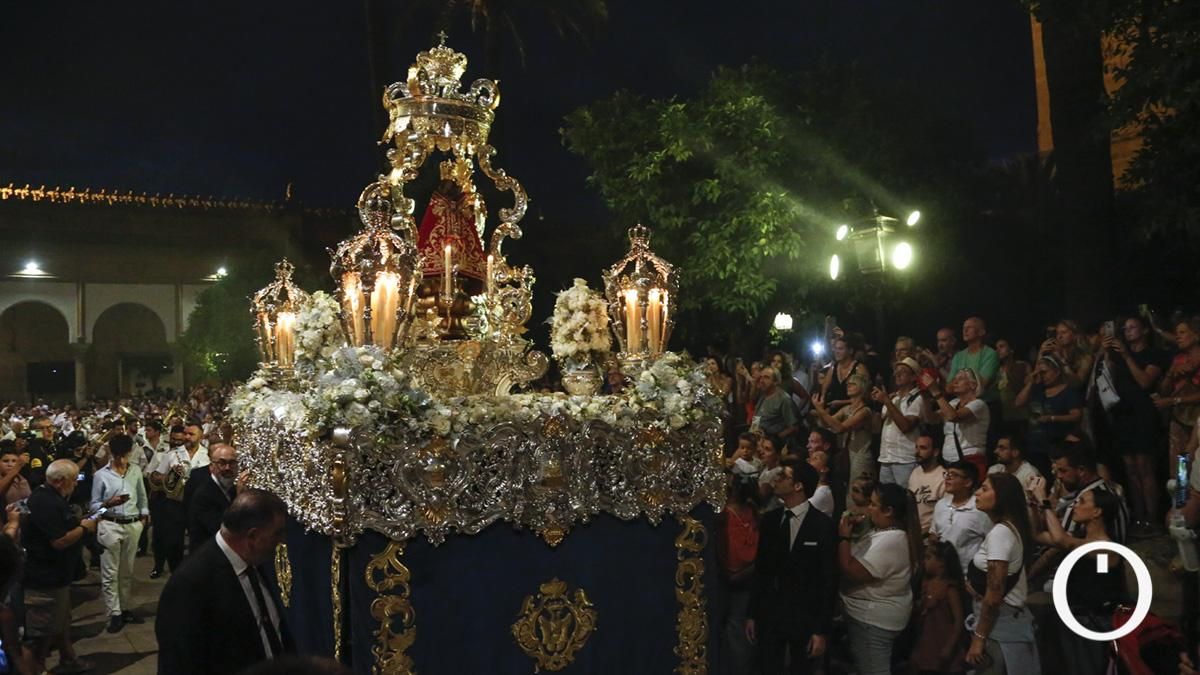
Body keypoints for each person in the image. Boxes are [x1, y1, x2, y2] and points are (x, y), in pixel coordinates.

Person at [156, 489, 293, 674]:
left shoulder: (253, 563)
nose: (282, 541)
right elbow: (179, 664)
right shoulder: (190, 586)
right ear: (252, 537)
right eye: (277, 533)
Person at [746, 459, 835, 675]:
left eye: (783, 476)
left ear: (798, 485)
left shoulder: (822, 525)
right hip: (771, 613)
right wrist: (752, 614)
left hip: (803, 615)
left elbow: (828, 581)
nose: (776, 479)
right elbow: (762, 570)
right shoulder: (770, 520)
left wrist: (821, 630)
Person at [1028, 479, 1125, 675]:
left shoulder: (1104, 546)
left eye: (1081, 502)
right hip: (1073, 617)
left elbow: (1061, 540)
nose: (1074, 506)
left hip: (1092, 623)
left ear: (1097, 512)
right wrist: (1033, 504)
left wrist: (1045, 502)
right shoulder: (1082, 537)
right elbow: (1037, 535)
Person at [23, 459, 97, 675]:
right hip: (44, 580)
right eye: (74, 480)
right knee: (42, 633)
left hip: (57, 577)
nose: (76, 484)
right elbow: (59, 540)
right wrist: (84, 528)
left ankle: (68, 658)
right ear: (60, 481)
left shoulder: (51, 497)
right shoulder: (45, 502)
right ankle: (38, 670)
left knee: (61, 621)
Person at [837, 483, 919, 675]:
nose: (869, 508)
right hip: (871, 617)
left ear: (889, 510)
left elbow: (852, 570)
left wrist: (844, 537)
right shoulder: (884, 532)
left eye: (873, 504)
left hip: (873, 620)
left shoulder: (893, 539)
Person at [965, 472, 1040, 674]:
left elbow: (994, 594)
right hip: (997, 623)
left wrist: (979, 638)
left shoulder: (1001, 533)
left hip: (999, 627)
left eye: (985, 488)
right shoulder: (1004, 529)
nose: (977, 493)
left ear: (1002, 497)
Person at [1102, 316, 1167, 535]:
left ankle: (1153, 518)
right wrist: (1105, 353)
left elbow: (1144, 381)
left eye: (1133, 328)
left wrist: (1127, 355)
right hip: (1123, 415)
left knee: (1145, 467)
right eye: (1125, 328)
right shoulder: (1118, 356)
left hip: (1143, 414)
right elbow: (1106, 379)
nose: (1128, 332)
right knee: (1130, 469)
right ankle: (1138, 517)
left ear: (1145, 331)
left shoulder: (1153, 354)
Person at [90, 433, 149, 633]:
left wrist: (143, 518)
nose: (122, 460)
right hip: (110, 525)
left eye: (125, 455)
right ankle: (113, 612)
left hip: (132, 525)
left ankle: (125, 608)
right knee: (110, 572)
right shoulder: (101, 475)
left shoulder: (135, 471)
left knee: (127, 571)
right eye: (118, 456)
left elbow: (142, 496)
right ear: (112, 454)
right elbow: (94, 507)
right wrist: (108, 504)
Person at [148, 421, 209, 576]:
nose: (187, 437)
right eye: (186, 433)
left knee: (198, 542)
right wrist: (170, 476)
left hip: (198, 506)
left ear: (201, 436)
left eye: (191, 434)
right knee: (173, 543)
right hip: (175, 504)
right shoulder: (172, 455)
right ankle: (177, 574)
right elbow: (156, 477)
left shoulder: (208, 455)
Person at [716, 477, 759, 675]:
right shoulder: (752, 513)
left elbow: (736, 556)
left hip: (735, 584)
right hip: (744, 581)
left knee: (736, 635)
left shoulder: (727, 517)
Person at [1014, 354, 1082, 479]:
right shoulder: (1037, 390)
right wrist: (1031, 382)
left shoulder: (1068, 392)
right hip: (1035, 446)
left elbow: (1076, 415)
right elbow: (1018, 403)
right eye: (1040, 373)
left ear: (1056, 372)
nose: (1042, 376)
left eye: (1045, 372)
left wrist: (1052, 418)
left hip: (1056, 445)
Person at [910, 541, 968, 675]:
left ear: (942, 562)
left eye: (929, 558)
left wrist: (949, 646)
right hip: (927, 642)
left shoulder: (949, 589)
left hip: (943, 640)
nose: (924, 562)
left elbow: (958, 620)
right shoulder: (925, 584)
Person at [930, 460, 993, 575]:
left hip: (968, 575)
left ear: (968, 482)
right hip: (943, 572)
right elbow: (934, 533)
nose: (947, 478)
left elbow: (990, 541)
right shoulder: (941, 505)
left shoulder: (979, 509)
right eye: (947, 474)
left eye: (953, 475)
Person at [927, 368, 990, 480]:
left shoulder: (979, 404)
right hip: (949, 461)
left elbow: (953, 416)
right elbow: (931, 419)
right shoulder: (953, 403)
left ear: (973, 385)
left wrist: (936, 392)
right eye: (954, 379)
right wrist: (924, 395)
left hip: (969, 460)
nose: (954, 382)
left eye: (960, 379)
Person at [873, 357, 926, 488]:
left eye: (903, 371)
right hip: (886, 457)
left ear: (914, 377)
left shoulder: (918, 398)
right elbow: (876, 429)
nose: (897, 374)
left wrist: (886, 401)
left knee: (906, 500)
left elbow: (906, 426)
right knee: (885, 499)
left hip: (905, 459)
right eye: (896, 371)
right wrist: (876, 406)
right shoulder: (893, 397)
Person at [812, 375, 874, 482]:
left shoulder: (865, 411)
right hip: (847, 453)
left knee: (856, 486)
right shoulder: (846, 409)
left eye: (853, 384)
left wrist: (821, 411)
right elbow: (827, 424)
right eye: (848, 383)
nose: (848, 385)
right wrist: (820, 411)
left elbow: (841, 428)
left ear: (862, 388)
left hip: (861, 455)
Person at [1157, 317, 1200, 463]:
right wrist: (1172, 372)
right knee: (1180, 464)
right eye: (1177, 333)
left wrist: (1174, 401)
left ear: (1196, 334)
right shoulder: (1179, 359)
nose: (1178, 337)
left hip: (1197, 420)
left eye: (1182, 332)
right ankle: (1182, 486)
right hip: (1180, 419)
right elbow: (1164, 391)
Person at [187, 443, 240, 552]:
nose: (227, 468)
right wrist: (240, 500)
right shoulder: (204, 494)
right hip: (208, 557)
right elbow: (223, 530)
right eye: (222, 463)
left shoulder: (233, 489)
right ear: (211, 467)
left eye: (232, 463)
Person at [753, 367, 800, 449]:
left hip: (772, 445)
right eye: (761, 377)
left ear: (776, 382)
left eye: (766, 377)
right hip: (757, 441)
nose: (761, 381)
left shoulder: (784, 399)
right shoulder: (763, 395)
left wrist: (774, 438)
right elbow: (756, 418)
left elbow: (794, 427)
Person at [908, 435, 946, 536]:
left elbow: (944, 515)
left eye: (923, 448)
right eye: (916, 447)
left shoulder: (943, 478)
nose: (917, 452)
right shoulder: (915, 472)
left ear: (935, 452)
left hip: (931, 535)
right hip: (913, 531)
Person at [994, 338, 1030, 438]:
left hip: (1020, 415)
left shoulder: (1022, 365)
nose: (998, 350)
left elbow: (1029, 385)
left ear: (1011, 350)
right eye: (996, 348)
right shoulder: (995, 370)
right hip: (1002, 417)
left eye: (1002, 346)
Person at [806, 449, 834, 517]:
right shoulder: (811, 485)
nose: (809, 460)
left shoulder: (823, 493)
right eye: (810, 458)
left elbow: (802, 511)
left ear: (824, 469)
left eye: (815, 458)